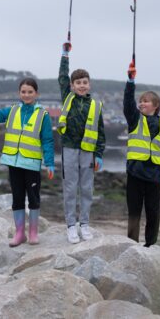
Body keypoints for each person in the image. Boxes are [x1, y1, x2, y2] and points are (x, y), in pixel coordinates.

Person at [0, 78, 54, 247]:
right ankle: (20, 234)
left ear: (36, 94)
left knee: (33, 198)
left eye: (30, 92)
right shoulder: (12, 111)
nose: (26, 95)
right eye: (23, 92)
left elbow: (47, 140)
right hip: (14, 163)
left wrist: (50, 163)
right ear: (19, 93)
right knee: (17, 198)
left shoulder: (43, 115)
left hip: (32, 165)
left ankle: (33, 233)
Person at [58, 41, 105, 244]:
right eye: (78, 82)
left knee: (86, 188)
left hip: (88, 151)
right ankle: (70, 225)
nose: (82, 85)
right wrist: (65, 56)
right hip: (69, 148)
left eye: (85, 82)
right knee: (70, 188)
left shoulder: (96, 105)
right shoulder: (68, 97)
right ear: (72, 85)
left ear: (89, 84)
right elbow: (61, 77)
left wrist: (100, 154)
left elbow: (101, 131)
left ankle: (84, 224)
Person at [123, 61, 160, 247]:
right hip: (135, 173)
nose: (141, 103)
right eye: (140, 101)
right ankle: (132, 244)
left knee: (153, 212)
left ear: (156, 105)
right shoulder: (135, 119)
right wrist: (130, 81)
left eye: (145, 101)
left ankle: (150, 244)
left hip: (154, 175)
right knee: (134, 211)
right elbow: (128, 103)